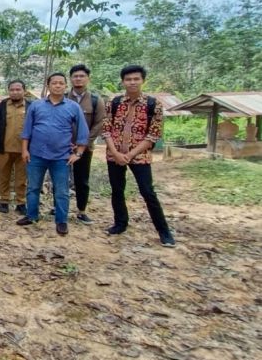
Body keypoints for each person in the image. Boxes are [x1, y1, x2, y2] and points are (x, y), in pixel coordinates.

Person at [103, 65, 176, 247]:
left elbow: (153, 135)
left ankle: (164, 232)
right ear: (123, 82)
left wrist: (130, 154)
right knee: (117, 190)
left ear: (142, 80)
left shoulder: (153, 104)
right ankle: (120, 223)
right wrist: (116, 153)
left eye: (136, 79)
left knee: (148, 192)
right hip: (114, 155)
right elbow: (106, 130)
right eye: (128, 79)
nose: (132, 82)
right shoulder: (114, 103)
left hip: (140, 156)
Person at [17, 73, 90, 236]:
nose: (58, 86)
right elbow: (27, 130)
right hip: (36, 155)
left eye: (61, 83)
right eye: (54, 83)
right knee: (33, 187)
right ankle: (32, 215)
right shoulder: (36, 105)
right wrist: (24, 150)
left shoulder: (73, 107)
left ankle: (61, 220)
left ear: (65, 86)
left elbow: (83, 132)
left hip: (61, 157)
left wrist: (78, 153)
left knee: (62, 190)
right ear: (48, 85)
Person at [67, 64, 106, 225]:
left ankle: (81, 211)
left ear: (87, 78)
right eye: (75, 76)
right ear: (70, 79)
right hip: (63, 147)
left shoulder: (96, 100)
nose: (78, 79)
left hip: (85, 149)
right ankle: (58, 206)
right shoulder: (62, 97)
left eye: (81, 76)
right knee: (60, 178)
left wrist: (83, 144)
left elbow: (99, 123)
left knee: (82, 179)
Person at [0, 80, 30, 215]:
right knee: (3, 176)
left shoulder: (31, 106)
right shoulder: (1, 107)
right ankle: (4, 201)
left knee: (21, 178)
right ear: (8, 91)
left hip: (23, 150)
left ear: (24, 91)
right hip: (4, 148)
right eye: (12, 89)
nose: (15, 92)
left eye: (18, 89)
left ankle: (21, 202)